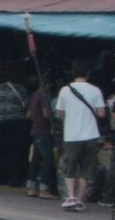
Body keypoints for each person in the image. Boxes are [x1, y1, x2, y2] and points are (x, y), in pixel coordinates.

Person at [54, 59, 106, 212]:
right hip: (91, 135)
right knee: (86, 169)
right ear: (88, 74)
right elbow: (101, 113)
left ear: (72, 74)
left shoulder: (64, 90)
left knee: (70, 167)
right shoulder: (96, 90)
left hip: (71, 135)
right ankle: (80, 199)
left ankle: (70, 196)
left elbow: (59, 113)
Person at [0, 66, 30, 187]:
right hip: (18, 123)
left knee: (1, 151)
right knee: (16, 152)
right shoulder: (22, 89)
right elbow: (26, 106)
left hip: (1, 123)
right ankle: (14, 180)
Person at [25, 79, 57, 199]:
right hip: (43, 131)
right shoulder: (44, 96)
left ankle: (31, 187)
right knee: (49, 159)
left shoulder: (34, 96)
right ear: (47, 84)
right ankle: (44, 188)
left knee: (36, 160)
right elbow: (45, 114)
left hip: (35, 130)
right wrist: (54, 118)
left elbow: (28, 115)